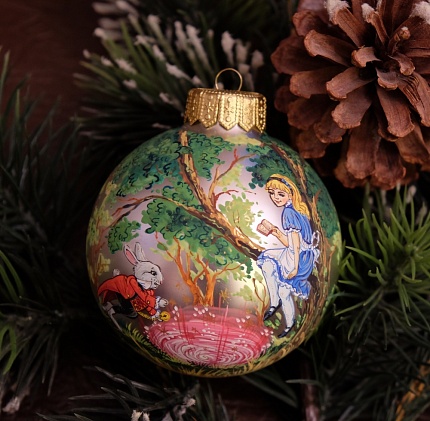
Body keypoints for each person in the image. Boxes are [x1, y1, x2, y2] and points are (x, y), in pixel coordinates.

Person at [257, 174, 319, 338]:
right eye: (272, 193)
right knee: (267, 263)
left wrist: (295, 268)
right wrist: (275, 232)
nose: (275, 198)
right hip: (296, 253)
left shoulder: (289, 213)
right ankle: (274, 302)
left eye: (280, 194)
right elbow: (290, 243)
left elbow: (296, 245)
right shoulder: (299, 210)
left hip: (299, 258)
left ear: (290, 194)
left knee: (285, 291)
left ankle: (289, 324)